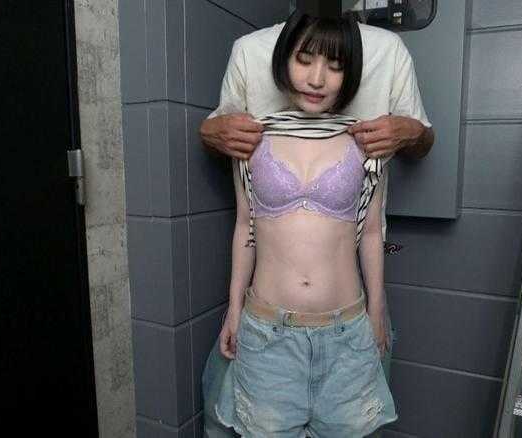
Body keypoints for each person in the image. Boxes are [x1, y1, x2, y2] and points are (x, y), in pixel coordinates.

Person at [201, 9, 419, 438]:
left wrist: (377, 311)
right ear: (283, 59)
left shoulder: (365, 142)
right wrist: (234, 309)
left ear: (350, 74)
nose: (317, 79)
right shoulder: (252, 138)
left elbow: (369, 233)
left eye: (335, 66)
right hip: (267, 331)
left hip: (347, 331)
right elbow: (245, 228)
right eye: (304, 60)